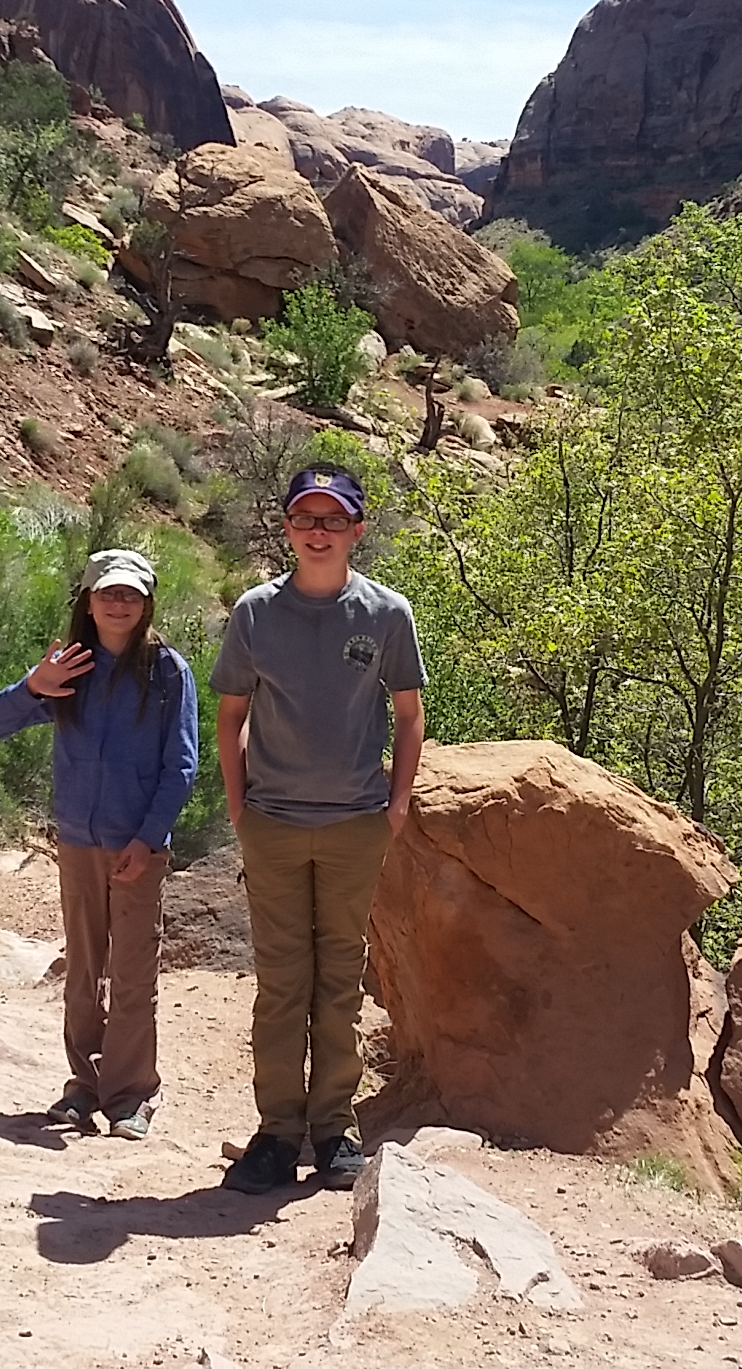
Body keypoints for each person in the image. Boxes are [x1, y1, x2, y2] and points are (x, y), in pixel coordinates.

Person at [208, 464, 423, 1193]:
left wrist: (396, 805)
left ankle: (332, 1132)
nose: (319, 532)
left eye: (334, 520)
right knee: (280, 985)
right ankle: (276, 1133)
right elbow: (231, 714)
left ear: (357, 530)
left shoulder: (387, 613)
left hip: (355, 825)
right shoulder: (256, 613)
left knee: (338, 981)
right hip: (272, 822)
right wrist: (239, 806)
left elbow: (409, 713)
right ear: (290, 529)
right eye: (307, 519)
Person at [0, 547, 199, 1141]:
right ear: (88, 600)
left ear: (147, 600)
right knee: (82, 968)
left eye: (129, 593)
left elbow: (180, 765)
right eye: (107, 592)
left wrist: (148, 838)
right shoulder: (69, 666)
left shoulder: (166, 671)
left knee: (132, 974)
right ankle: (83, 1084)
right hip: (77, 840)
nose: (118, 603)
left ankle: (130, 1093)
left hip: (137, 847)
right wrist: (34, 686)